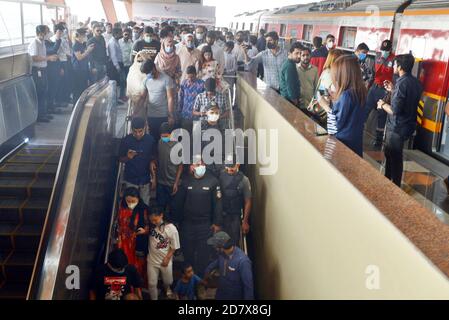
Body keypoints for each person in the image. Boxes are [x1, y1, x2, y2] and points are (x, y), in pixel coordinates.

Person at [377, 54, 423, 187]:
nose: (394, 67)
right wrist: (393, 90)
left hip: (397, 126)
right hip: (408, 125)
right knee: (393, 154)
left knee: (393, 156)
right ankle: (390, 181)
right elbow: (407, 99)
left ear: (401, 67)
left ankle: (393, 184)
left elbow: (395, 110)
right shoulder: (415, 82)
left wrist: (382, 104)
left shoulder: (402, 83)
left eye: (395, 64)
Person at [174, 157, 223, 277]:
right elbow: (179, 203)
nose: (198, 166)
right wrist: (176, 221)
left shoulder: (213, 181)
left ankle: (201, 281)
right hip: (188, 224)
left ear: (204, 165)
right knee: (188, 252)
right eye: (195, 164)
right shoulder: (186, 181)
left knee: (204, 254)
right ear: (191, 167)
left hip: (205, 225)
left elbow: (218, 204)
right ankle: (189, 279)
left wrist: (217, 223)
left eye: (200, 164)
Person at [317, 55, 367, 157]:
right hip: (355, 142)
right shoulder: (360, 91)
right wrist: (336, 99)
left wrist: (326, 106)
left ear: (343, 74)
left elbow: (334, 127)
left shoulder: (346, 95)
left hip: (343, 144)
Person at [204, 232, 254, 300]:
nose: (214, 247)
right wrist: (207, 270)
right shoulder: (222, 254)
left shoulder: (243, 262)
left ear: (221, 247)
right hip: (221, 294)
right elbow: (216, 262)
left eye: (215, 246)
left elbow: (248, 287)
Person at [119, 117, 157, 206]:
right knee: (131, 205)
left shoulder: (150, 140)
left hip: (145, 179)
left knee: (145, 204)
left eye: (140, 131)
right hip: (131, 179)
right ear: (131, 129)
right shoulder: (126, 140)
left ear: (145, 128)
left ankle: (143, 220)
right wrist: (128, 157)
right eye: (135, 131)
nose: (138, 134)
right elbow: (120, 159)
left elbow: (154, 159)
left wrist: (153, 177)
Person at [365, 39, 396, 147]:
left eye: (386, 50)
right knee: (365, 109)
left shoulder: (394, 59)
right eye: (383, 50)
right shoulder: (377, 56)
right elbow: (374, 72)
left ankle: (378, 140)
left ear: (390, 50)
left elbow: (392, 75)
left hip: (384, 90)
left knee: (381, 115)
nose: (384, 52)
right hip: (374, 88)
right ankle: (358, 130)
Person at [147, 206, 180, 300]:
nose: (153, 222)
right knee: (151, 283)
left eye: (155, 220)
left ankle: (167, 288)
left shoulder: (171, 228)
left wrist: (167, 258)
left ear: (161, 215)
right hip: (152, 260)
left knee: (168, 281)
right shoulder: (151, 226)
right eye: (151, 220)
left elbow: (174, 246)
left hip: (165, 260)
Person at [139, 59, 176, 140]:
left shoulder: (166, 79)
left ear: (154, 68)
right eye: (146, 73)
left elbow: (170, 98)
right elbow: (142, 98)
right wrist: (135, 112)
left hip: (164, 116)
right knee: (153, 140)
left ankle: (164, 152)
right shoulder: (146, 80)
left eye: (148, 72)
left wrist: (170, 115)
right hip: (151, 116)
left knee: (165, 140)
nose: (147, 75)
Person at [117, 187, 149, 280]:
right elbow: (119, 223)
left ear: (138, 199)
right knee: (125, 262)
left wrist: (145, 231)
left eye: (133, 201)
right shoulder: (122, 208)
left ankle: (136, 282)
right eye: (128, 201)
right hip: (124, 242)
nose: (130, 203)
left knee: (138, 264)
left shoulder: (143, 209)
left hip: (138, 242)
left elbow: (149, 224)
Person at [28, 25, 58, 123]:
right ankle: (39, 116)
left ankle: (43, 113)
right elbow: (34, 58)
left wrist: (49, 57)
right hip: (37, 70)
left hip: (43, 69)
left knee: (44, 91)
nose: (48, 33)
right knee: (39, 92)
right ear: (40, 33)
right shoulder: (35, 43)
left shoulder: (43, 42)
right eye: (46, 32)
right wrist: (48, 58)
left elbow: (42, 56)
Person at [219, 156, 252, 244]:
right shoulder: (220, 176)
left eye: (232, 167)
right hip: (221, 215)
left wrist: (245, 221)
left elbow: (248, 201)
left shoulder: (244, 180)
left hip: (235, 217)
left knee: (233, 242)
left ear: (238, 164)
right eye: (228, 167)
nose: (230, 169)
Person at [157, 122, 184, 223]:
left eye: (166, 136)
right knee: (160, 208)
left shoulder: (178, 146)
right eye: (162, 136)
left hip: (172, 183)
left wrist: (176, 183)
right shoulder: (160, 142)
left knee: (174, 210)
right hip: (161, 183)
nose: (164, 138)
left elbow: (180, 166)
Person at [179, 65, 205, 133]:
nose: (190, 79)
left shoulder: (201, 84)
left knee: (197, 137)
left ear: (196, 75)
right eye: (188, 77)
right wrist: (180, 111)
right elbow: (181, 97)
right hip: (185, 114)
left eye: (192, 77)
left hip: (197, 116)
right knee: (185, 135)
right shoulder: (184, 83)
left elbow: (204, 100)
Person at [72, 28, 95, 104]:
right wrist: (88, 51)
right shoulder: (76, 45)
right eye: (83, 35)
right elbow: (79, 57)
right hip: (78, 70)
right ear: (79, 35)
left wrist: (87, 49)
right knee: (78, 90)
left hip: (83, 69)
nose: (85, 36)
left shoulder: (81, 44)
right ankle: (76, 107)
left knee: (83, 89)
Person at [51, 23, 72, 108]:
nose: (64, 32)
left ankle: (65, 98)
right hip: (60, 62)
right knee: (60, 83)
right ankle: (60, 100)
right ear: (58, 31)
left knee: (66, 81)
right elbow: (55, 52)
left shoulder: (64, 38)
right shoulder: (54, 39)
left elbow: (68, 49)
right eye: (63, 30)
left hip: (65, 60)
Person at [45, 25, 63, 115]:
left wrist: (60, 68)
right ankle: (49, 107)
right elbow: (53, 50)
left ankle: (52, 105)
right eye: (47, 31)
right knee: (51, 88)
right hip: (50, 70)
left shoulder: (49, 41)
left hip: (56, 68)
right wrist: (58, 39)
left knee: (55, 87)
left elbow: (56, 53)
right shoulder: (43, 43)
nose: (49, 33)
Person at [107, 27, 126, 102]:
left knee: (121, 82)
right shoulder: (112, 42)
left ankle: (118, 98)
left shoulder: (116, 41)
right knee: (116, 83)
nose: (121, 35)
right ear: (115, 34)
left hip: (119, 63)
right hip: (115, 65)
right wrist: (117, 66)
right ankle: (114, 100)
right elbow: (113, 56)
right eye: (120, 33)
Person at [119, 28, 134, 100]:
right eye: (125, 34)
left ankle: (125, 95)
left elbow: (132, 53)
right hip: (121, 64)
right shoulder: (119, 42)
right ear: (123, 34)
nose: (126, 36)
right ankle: (121, 96)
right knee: (122, 81)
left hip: (128, 64)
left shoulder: (131, 43)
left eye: (128, 35)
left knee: (127, 81)